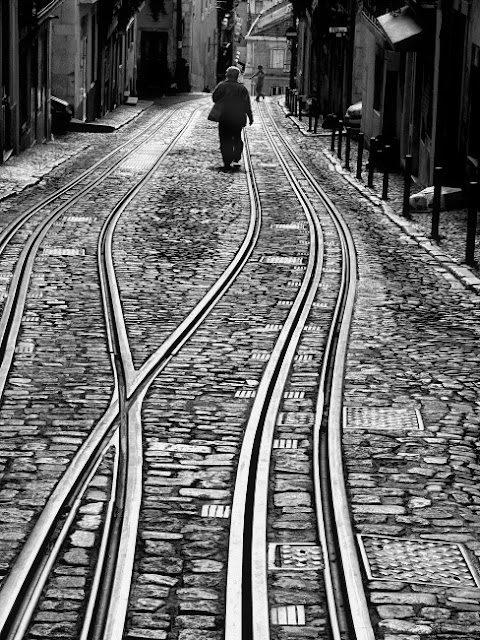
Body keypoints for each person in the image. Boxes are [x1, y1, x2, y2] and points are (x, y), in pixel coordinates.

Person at [212, 66, 253, 170]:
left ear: (227, 75)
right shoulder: (242, 88)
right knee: (237, 138)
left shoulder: (221, 86)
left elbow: (214, 98)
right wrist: (250, 116)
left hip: (224, 117)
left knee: (224, 138)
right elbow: (247, 104)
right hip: (237, 117)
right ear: (237, 76)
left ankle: (227, 159)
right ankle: (236, 156)